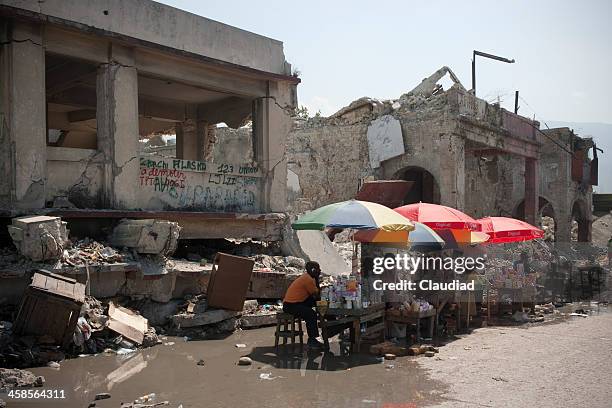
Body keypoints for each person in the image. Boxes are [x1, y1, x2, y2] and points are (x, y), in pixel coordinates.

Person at [283, 261, 324, 348]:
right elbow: (316, 295)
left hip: (295, 303)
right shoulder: (308, 279)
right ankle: (312, 339)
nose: (320, 271)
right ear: (313, 270)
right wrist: (317, 280)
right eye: (318, 269)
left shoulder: (308, 277)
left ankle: (325, 321)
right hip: (291, 306)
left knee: (313, 303)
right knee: (311, 314)